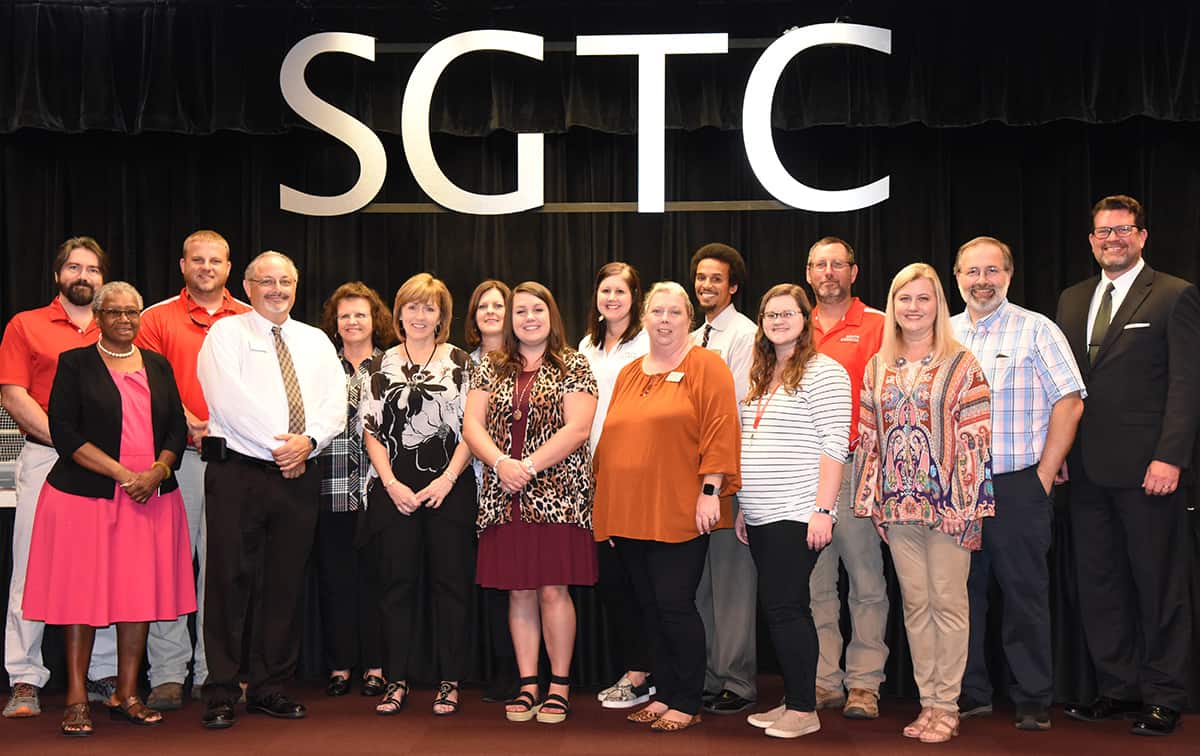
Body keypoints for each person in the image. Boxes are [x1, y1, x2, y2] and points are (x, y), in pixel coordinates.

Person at [22, 281, 195, 736]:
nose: (124, 319)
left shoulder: (158, 365)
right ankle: (77, 697)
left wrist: (156, 472)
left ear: (141, 316)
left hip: (150, 498)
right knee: (81, 594)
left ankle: (127, 692)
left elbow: (176, 428)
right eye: (113, 311)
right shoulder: (75, 363)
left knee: (137, 596)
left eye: (131, 312)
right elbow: (64, 430)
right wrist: (123, 476)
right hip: (86, 496)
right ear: (97, 317)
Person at [1055, 195, 1200, 737]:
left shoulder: (1174, 296)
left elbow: (1187, 387)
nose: (1111, 239)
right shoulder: (1071, 300)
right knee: (1101, 583)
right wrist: (1061, 453)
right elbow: (1063, 387)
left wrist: (1171, 458)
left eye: (1122, 230)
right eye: (1101, 232)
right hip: (1086, 472)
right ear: (1091, 240)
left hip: (1149, 473)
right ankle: (1116, 689)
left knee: (1159, 585)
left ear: (1141, 236)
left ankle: (1164, 696)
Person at [195, 251, 346, 730]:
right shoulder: (226, 334)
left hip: (299, 473)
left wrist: (309, 442)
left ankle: (269, 687)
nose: (276, 289)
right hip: (239, 472)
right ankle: (220, 689)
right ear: (248, 284)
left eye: (285, 281)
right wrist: (283, 448)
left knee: (284, 584)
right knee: (227, 583)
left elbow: (334, 402)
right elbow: (228, 400)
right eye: (266, 281)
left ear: (296, 286)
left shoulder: (315, 339)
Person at [854, 262, 994, 744]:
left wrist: (968, 506)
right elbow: (869, 437)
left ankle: (947, 706)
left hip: (950, 507)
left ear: (938, 305)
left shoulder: (962, 363)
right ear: (893, 306)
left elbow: (977, 437)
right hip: (896, 507)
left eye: (923, 299)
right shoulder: (878, 365)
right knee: (916, 605)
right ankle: (927, 701)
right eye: (904, 299)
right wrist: (871, 499)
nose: (913, 308)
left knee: (949, 603)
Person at [593, 281, 741, 733]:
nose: (664, 320)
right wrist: (608, 507)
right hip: (630, 510)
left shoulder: (707, 366)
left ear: (688, 319)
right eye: (656, 312)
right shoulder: (630, 372)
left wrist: (711, 490)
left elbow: (720, 428)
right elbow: (612, 440)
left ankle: (688, 698)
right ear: (644, 318)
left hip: (681, 506)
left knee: (675, 604)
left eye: (674, 312)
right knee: (649, 606)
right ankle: (665, 692)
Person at [951, 236, 1085, 731]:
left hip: (1016, 485)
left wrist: (1044, 476)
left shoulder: (1037, 330)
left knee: (1025, 594)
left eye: (991, 271)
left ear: (1008, 275)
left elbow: (1069, 401)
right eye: (971, 272)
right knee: (961, 595)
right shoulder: (943, 333)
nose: (981, 281)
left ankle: (1032, 697)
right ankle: (971, 692)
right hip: (957, 491)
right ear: (958, 276)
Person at [463, 281, 597, 725]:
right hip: (504, 495)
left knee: (553, 589)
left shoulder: (573, 363)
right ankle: (527, 685)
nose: (528, 318)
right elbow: (472, 427)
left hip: (558, 495)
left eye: (537, 309)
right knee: (518, 590)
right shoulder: (492, 367)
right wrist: (502, 463)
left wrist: (528, 466)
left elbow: (578, 428)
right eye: (519, 311)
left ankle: (559, 686)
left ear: (551, 314)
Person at [0, 237, 119, 719]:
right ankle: (25, 677)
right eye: (74, 267)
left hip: (109, 466)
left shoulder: (120, 327)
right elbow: (13, 394)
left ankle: (104, 670)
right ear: (57, 276)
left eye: (92, 269)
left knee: (105, 567)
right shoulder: (26, 324)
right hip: (46, 457)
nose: (83, 276)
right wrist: (70, 442)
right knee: (31, 566)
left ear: (103, 279)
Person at [135, 229, 251, 710]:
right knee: (170, 568)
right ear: (182, 265)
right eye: (198, 260)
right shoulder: (155, 318)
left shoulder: (250, 318)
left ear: (228, 268)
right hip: (174, 461)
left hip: (234, 462)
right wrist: (189, 421)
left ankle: (214, 671)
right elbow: (143, 381)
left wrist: (223, 426)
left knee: (223, 572)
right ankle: (167, 674)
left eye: (216, 260)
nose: (207, 267)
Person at [359, 273, 477, 716]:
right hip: (395, 490)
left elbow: (472, 428)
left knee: (451, 585)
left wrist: (446, 479)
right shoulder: (378, 365)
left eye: (430, 307)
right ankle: (397, 680)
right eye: (412, 306)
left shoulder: (463, 362)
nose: (420, 315)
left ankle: (450, 681)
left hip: (450, 486)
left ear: (442, 316)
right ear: (399, 313)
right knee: (396, 586)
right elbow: (370, 432)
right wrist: (390, 484)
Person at [737, 283, 850, 739]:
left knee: (787, 608)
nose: (778, 321)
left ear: (806, 319)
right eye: (770, 314)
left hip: (798, 510)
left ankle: (805, 709)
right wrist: (744, 507)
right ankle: (795, 697)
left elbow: (834, 444)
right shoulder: (761, 371)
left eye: (788, 313)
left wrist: (823, 509)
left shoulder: (825, 372)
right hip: (761, 513)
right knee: (781, 608)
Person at [804, 237, 890, 719]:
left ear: (854, 272)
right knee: (816, 585)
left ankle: (864, 684)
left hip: (859, 469)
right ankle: (822, 680)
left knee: (866, 581)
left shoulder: (880, 325)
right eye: (820, 265)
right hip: (806, 475)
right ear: (808, 273)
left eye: (837, 264)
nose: (828, 272)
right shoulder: (793, 324)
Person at [576, 262, 652, 709]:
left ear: (634, 297)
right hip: (590, 475)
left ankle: (644, 672)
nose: (612, 298)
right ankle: (636, 668)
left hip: (635, 475)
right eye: (605, 290)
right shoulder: (586, 345)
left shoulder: (647, 343)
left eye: (621, 291)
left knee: (642, 577)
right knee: (612, 580)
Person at [688, 242, 759, 715]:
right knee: (701, 585)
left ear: (732, 286)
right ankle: (710, 675)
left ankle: (736, 679)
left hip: (727, 473)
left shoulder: (745, 335)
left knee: (732, 583)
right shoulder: (693, 336)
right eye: (701, 278)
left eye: (716, 279)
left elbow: (728, 406)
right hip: (689, 477)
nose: (706, 285)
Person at [314, 282, 393, 698]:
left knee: (379, 579)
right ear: (335, 322)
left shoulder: (391, 365)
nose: (352, 322)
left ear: (374, 318)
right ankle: (340, 665)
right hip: (332, 487)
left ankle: (377, 666)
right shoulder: (321, 364)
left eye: (360, 314)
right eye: (345, 315)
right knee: (336, 578)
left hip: (382, 488)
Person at [463, 279, 519, 703]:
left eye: (499, 305)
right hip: (472, 485)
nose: (491, 312)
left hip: (519, 483)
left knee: (522, 582)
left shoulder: (531, 357)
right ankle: (499, 668)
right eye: (483, 306)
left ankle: (524, 672)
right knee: (491, 584)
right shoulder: (461, 363)